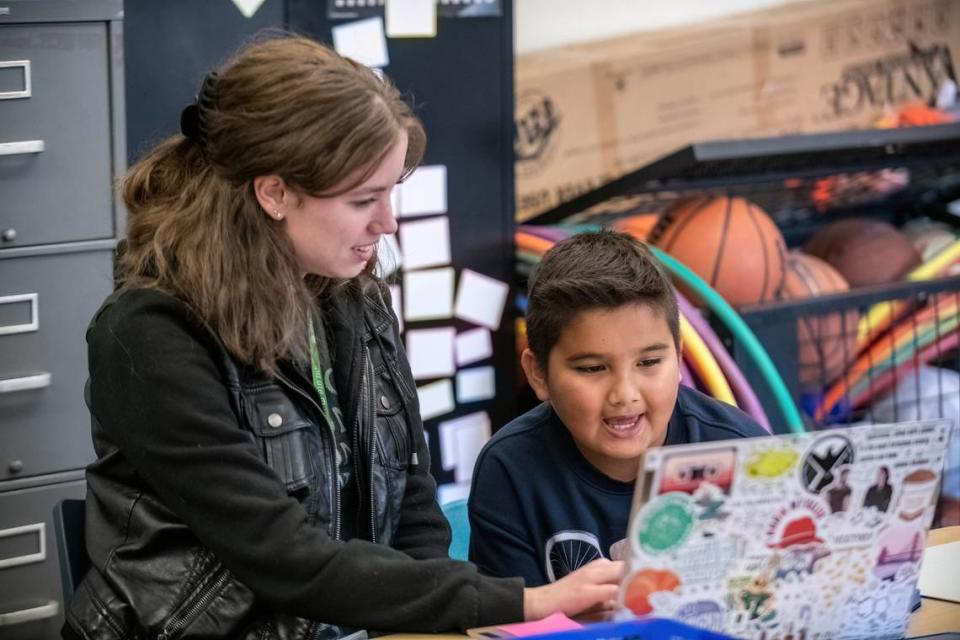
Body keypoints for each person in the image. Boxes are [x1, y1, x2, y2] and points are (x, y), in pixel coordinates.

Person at [63, 36, 622, 640]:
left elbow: (411, 505)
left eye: (390, 193)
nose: (387, 222)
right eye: (364, 200)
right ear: (274, 193)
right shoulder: (148, 336)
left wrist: (437, 625)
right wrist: (527, 602)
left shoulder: (353, 296)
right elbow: (285, 555)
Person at [468, 231, 768, 586]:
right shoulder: (509, 470)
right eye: (593, 368)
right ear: (538, 374)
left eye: (650, 362)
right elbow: (509, 626)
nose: (624, 394)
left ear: (679, 354)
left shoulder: (743, 451)